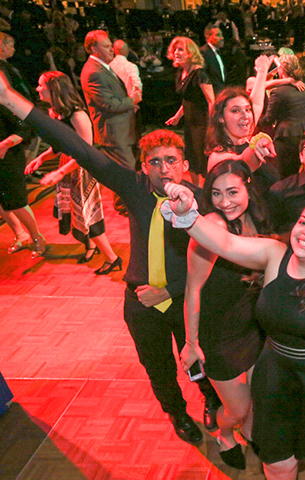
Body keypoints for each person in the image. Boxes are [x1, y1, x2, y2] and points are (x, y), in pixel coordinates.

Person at [0, 74, 223, 445]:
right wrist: (10, 99)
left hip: (185, 298)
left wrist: (169, 289)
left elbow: (218, 262)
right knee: (158, 368)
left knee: (199, 360)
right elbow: (76, 146)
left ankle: (211, 399)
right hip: (139, 301)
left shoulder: (203, 201)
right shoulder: (134, 188)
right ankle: (177, 413)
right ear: (143, 166)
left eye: (171, 160)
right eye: (155, 162)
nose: (164, 168)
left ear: (185, 165)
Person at [160, 189, 305, 480]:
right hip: (276, 373)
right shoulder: (275, 255)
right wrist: (189, 216)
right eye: (303, 222)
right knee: (277, 460)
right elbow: (226, 243)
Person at [180, 160, 270, 469]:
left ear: (248, 187)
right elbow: (192, 289)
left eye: (232, 191)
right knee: (238, 407)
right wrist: (191, 343)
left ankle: (250, 432)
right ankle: (226, 433)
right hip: (220, 335)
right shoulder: (213, 227)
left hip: (254, 325)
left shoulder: (257, 219)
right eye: (216, 194)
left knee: (258, 395)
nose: (224, 201)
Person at [24, 71, 121, 273]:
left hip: (84, 169)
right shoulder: (55, 112)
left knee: (88, 214)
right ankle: (91, 246)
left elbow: (86, 152)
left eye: (41, 85)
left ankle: (112, 258)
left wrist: (60, 172)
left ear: (54, 89)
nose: (37, 88)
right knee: (78, 214)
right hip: (68, 167)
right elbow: (61, 145)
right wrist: (42, 157)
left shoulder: (78, 115)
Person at [0, 32, 46, 257]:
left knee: (15, 201)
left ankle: (37, 236)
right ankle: (21, 234)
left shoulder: (5, 99)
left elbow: (23, 126)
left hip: (8, 155)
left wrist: (6, 143)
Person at [205, 55, 279, 190]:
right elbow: (244, 162)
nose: (245, 115)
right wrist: (258, 141)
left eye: (247, 110)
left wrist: (262, 72)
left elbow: (256, 103)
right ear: (221, 118)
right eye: (235, 111)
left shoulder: (245, 137)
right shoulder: (219, 157)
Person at [80, 30, 136, 170]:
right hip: (113, 135)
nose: (112, 50)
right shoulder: (94, 72)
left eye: (111, 46)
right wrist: (132, 101)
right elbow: (109, 104)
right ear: (93, 49)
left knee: (123, 176)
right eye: (106, 46)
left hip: (120, 132)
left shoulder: (102, 67)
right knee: (127, 176)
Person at [165, 36, 215, 182]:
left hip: (202, 122)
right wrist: (177, 116)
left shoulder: (199, 74)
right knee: (192, 157)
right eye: (174, 50)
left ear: (191, 53)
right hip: (190, 122)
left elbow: (211, 101)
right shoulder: (181, 73)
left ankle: (210, 190)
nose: (176, 53)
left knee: (202, 158)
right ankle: (196, 190)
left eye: (180, 49)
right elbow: (188, 99)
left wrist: (212, 126)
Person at [258, 53, 305, 178]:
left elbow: (268, 119)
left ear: (281, 70)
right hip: (304, 135)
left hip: (285, 137)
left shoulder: (278, 92)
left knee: (283, 174)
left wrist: (256, 120)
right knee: (297, 173)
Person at [109, 39, 142, 105]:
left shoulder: (108, 66)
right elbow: (137, 86)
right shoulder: (131, 67)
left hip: (112, 104)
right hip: (128, 103)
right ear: (126, 50)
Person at [200, 25, 226, 95]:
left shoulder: (218, 52)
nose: (222, 38)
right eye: (218, 35)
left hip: (220, 93)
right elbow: (203, 78)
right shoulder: (203, 53)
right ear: (208, 37)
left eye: (222, 35)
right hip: (212, 96)